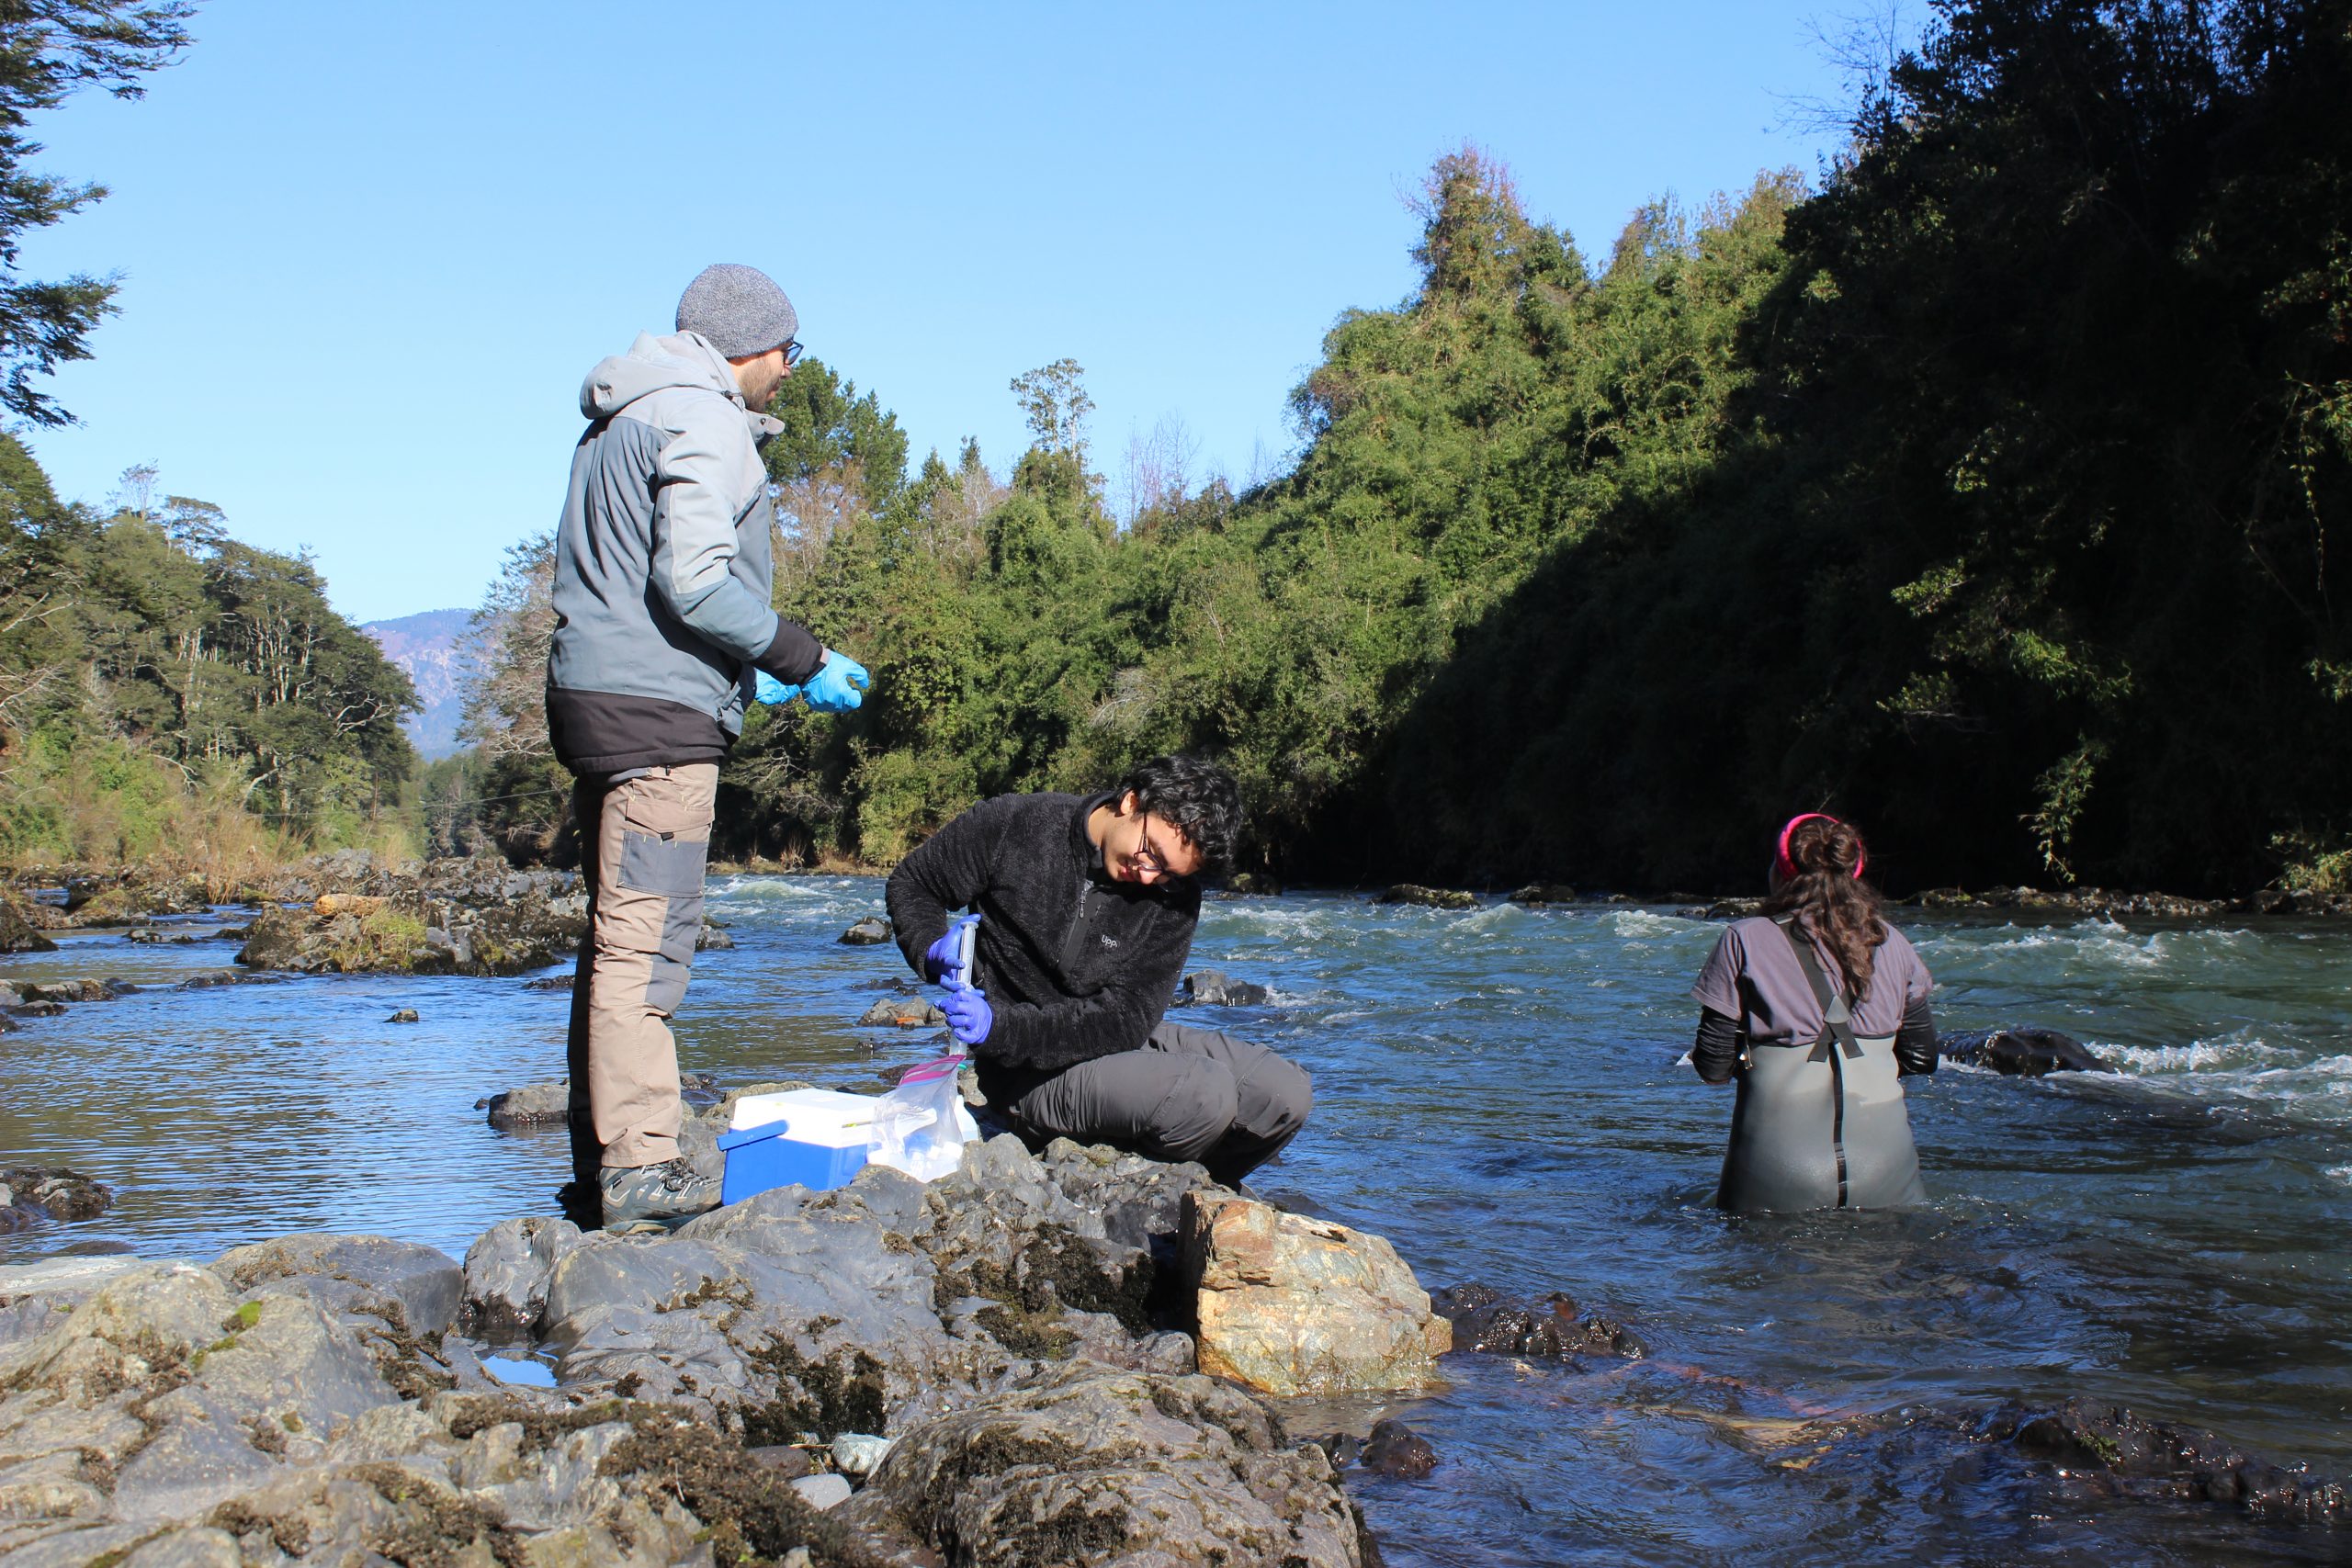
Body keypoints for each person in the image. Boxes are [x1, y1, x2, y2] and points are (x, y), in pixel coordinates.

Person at [548, 263, 871, 1234]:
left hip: (597, 701)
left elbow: (626, 587)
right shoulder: (705, 416)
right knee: (648, 941)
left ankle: (598, 1153)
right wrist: (798, 654)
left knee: (610, 933)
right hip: (658, 726)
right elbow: (692, 580)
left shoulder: (615, 417)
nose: (786, 375)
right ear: (755, 346)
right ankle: (642, 1166)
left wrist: (740, 675)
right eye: (789, 354)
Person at [885, 755, 1311, 1185]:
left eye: (1167, 873)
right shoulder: (1018, 823)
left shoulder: (1175, 897)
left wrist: (1001, 1028)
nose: (1148, 877)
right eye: (1151, 853)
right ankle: (1149, 1195)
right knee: (1203, 1096)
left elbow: (1126, 1016)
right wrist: (931, 947)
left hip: (1098, 1039)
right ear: (1130, 801)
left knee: (1283, 1094)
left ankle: (1205, 1192)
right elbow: (915, 883)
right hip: (1023, 1072)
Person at [1687, 813, 1938, 1213]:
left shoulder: (1743, 938)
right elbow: (1922, 1059)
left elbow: (1711, 1067)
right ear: (1853, 871)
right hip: (1887, 1169)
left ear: (1781, 871)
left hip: (1775, 1173)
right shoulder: (1894, 942)